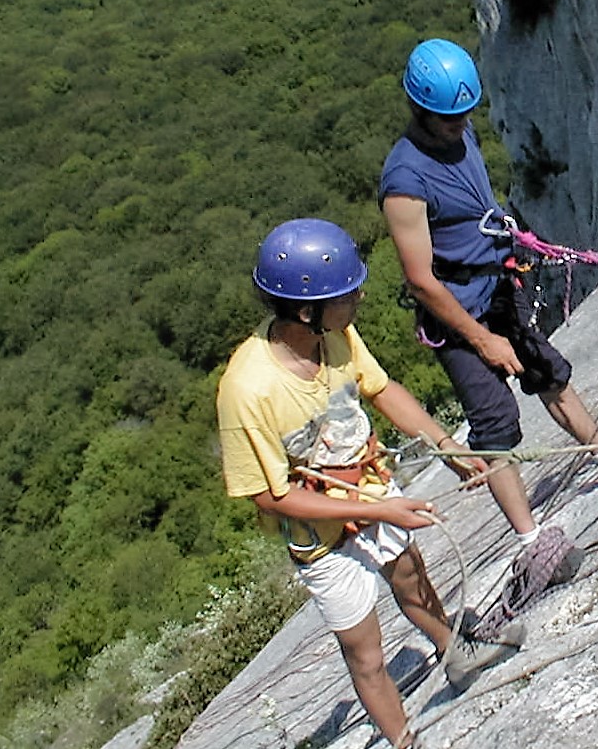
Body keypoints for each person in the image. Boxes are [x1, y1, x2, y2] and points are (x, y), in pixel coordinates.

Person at [217, 218, 523, 749]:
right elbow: (271, 494)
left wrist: (443, 443)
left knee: (409, 573)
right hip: (322, 538)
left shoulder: (335, 336)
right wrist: (382, 512)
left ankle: (455, 652)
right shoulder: (248, 389)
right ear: (306, 310)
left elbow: (380, 389)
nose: (358, 297)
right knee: (366, 653)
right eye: (346, 294)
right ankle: (403, 740)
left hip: (368, 484)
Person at [379, 39, 598, 577]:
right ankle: (532, 545)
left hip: (497, 286)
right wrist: (482, 339)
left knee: (548, 371)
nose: (460, 125)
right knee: (495, 423)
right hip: (457, 314)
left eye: (465, 114)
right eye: (448, 118)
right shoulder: (404, 180)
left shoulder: (458, 138)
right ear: (421, 109)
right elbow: (421, 280)